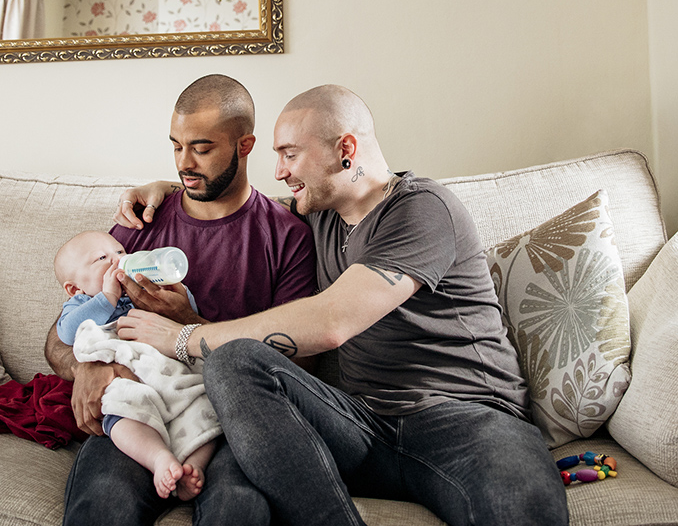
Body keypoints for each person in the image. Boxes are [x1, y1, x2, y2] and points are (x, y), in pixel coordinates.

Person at [113, 85, 570, 525]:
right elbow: (244, 206)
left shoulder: (423, 209)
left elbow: (332, 322)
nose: (279, 172)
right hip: (363, 426)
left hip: (468, 421)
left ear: (345, 149)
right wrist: (174, 189)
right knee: (233, 363)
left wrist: (184, 337)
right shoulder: (317, 213)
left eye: (290, 154)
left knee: (521, 508)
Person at [44, 74, 317, 526]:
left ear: (244, 145)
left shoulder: (286, 238)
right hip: (138, 409)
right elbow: (61, 336)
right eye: (176, 146)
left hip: (228, 421)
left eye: (202, 148)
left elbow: (297, 370)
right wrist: (90, 367)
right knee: (103, 504)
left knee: (238, 510)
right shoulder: (139, 224)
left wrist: (189, 324)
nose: (184, 164)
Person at [53, 230, 217, 501]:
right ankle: (158, 459)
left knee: (204, 405)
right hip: (129, 379)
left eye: (119, 252)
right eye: (102, 258)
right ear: (74, 288)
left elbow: (187, 317)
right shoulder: (81, 303)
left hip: (169, 374)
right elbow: (68, 332)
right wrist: (107, 297)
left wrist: (177, 294)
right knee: (124, 410)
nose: (118, 261)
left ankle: (194, 465)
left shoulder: (140, 289)